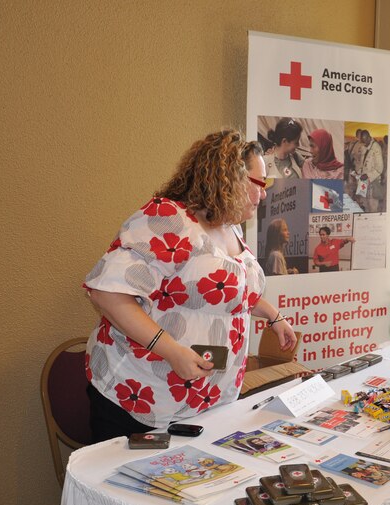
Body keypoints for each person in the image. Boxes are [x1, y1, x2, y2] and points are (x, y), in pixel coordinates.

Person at [83, 129, 297, 442]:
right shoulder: (167, 218)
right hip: (142, 400)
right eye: (259, 184)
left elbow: (230, 291)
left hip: (206, 402)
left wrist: (273, 316)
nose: (263, 194)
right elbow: (107, 292)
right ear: (229, 177)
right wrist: (171, 351)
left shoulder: (229, 226)